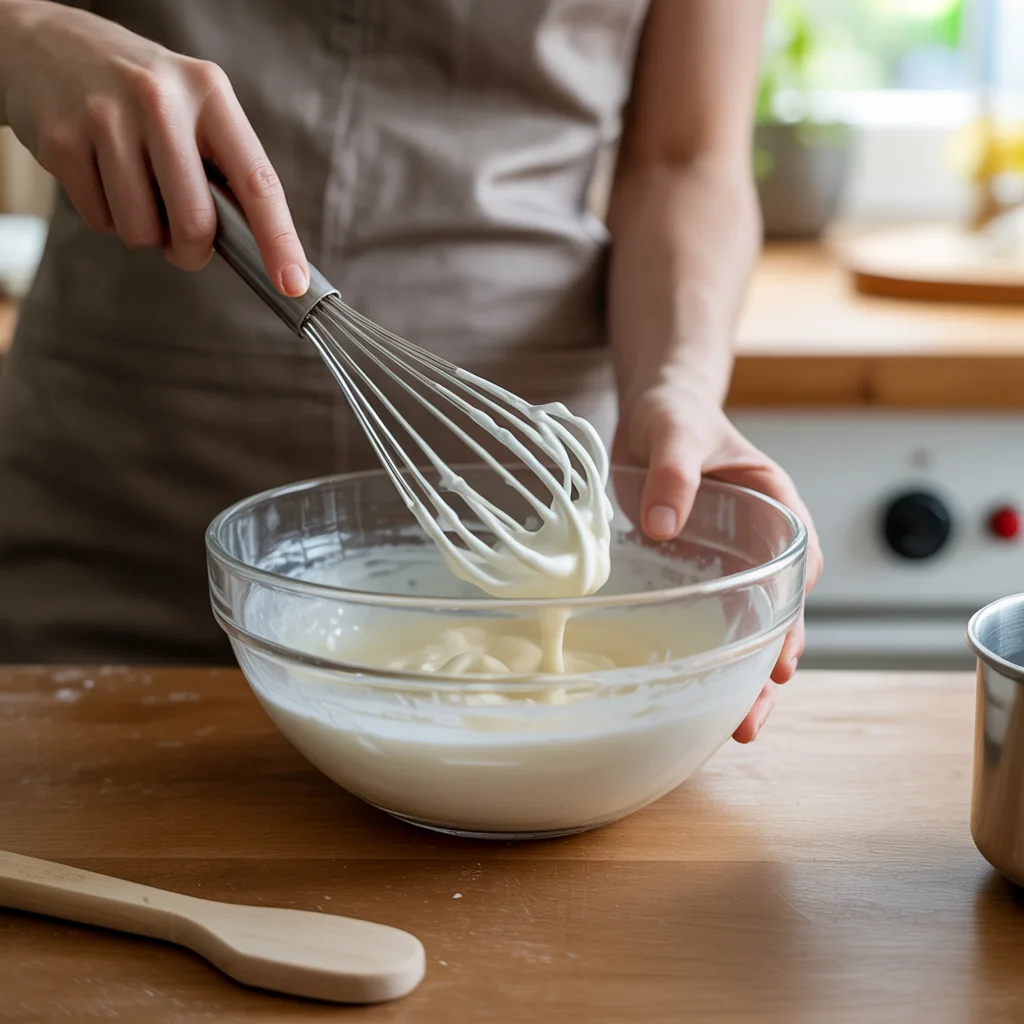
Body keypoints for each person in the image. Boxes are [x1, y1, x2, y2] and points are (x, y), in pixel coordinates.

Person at [0, 0, 822, 742]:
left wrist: (676, 382)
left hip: (517, 483)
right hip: (111, 502)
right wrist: (22, 38)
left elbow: (686, 158)